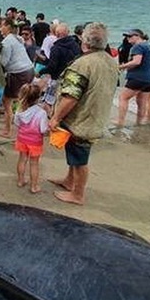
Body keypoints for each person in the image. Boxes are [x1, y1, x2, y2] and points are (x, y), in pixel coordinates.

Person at [48, 22, 118, 205]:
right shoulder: (110, 60)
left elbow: (71, 96)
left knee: (80, 158)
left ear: (84, 41)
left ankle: (77, 194)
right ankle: (69, 181)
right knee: (74, 154)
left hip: (82, 120)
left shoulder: (83, 64)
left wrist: (55, 118)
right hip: (97, 115)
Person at [0, 18, 35, 137]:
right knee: (24, 100)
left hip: (18, 73)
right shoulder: (17, 38)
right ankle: (26, 127)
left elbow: (4, 62)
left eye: (1, 25)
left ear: (7, 27)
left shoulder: (7, 42)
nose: (0, 28)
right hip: (29, 69)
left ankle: (7, 130)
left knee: (7, 101)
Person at [13, 83, 48, 193]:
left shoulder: (20, 110)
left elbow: (16, 123)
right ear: (38, 97)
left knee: (22, 159)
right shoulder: (41, 113)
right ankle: (34, 186)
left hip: (22, 139)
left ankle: (20, 180)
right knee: (34, 163)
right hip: (35, 142)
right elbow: (43, 130)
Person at [116, 28, 150, 126]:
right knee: (142, 101)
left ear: (137, 36)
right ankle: (139, 122)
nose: (127, 39)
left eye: (130, 36)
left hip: (138, 78)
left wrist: (120, 67)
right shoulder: (148, 46)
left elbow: (137, 62)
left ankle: (120, 122)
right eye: (127, 36)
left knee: (123, 97)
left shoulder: (137, 47)